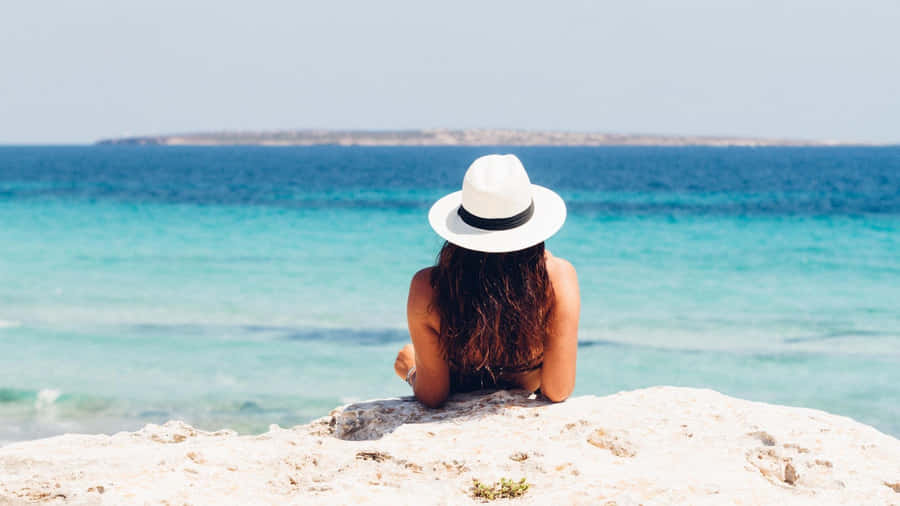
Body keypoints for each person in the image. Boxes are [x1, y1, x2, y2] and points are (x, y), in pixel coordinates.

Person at [393, 154, 580, 407]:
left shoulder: (428, 287)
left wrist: (411, 369)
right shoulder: (556, 278)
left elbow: (433, 396)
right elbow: (558, 390)